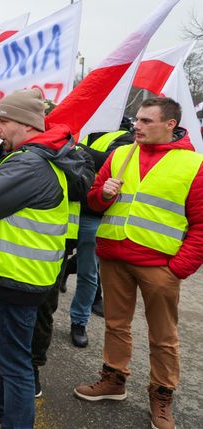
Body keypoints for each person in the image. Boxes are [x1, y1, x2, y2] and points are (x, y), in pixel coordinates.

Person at [0, 89, 90, 429]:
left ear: (27, 124)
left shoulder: (31, 163)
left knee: (15, 366)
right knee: (4, 356)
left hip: (12, 279)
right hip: (8, 277)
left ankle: (10, 419)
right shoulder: (30, 157)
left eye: (2, 120)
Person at [74, 97, 203, 429]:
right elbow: (93, 201)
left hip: (159, 266)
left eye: (146, 121)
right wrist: (103, 194)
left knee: (163, 337)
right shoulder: (120, 154)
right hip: (115, 258)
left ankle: (161, 396)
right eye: (137, 120)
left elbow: (201, 225)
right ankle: (114, 381)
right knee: (116, 325)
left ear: (170, 125)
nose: (137, 126)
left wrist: (178, 269)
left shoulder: (192, 165)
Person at [68, 120, 134, 347]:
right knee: (51, 266)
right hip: (68, 210)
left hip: (93, 216)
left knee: (88, 272)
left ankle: (79, 321)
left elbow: (109, 161)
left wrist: (75, 146)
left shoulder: (126, 139)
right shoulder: (85, 130)